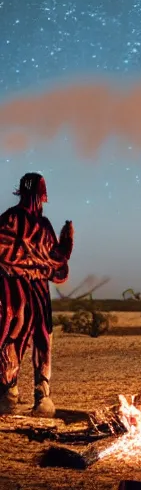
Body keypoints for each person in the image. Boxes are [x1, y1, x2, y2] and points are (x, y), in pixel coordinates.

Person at [0, 173, 73, 417]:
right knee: (16, 334)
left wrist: (64, 249)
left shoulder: (42, 225)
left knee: (40, 337)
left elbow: (56, 264)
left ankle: (38, 397)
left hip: (34, 289)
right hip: (16, 288)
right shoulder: (12, 219)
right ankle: (10, 393)